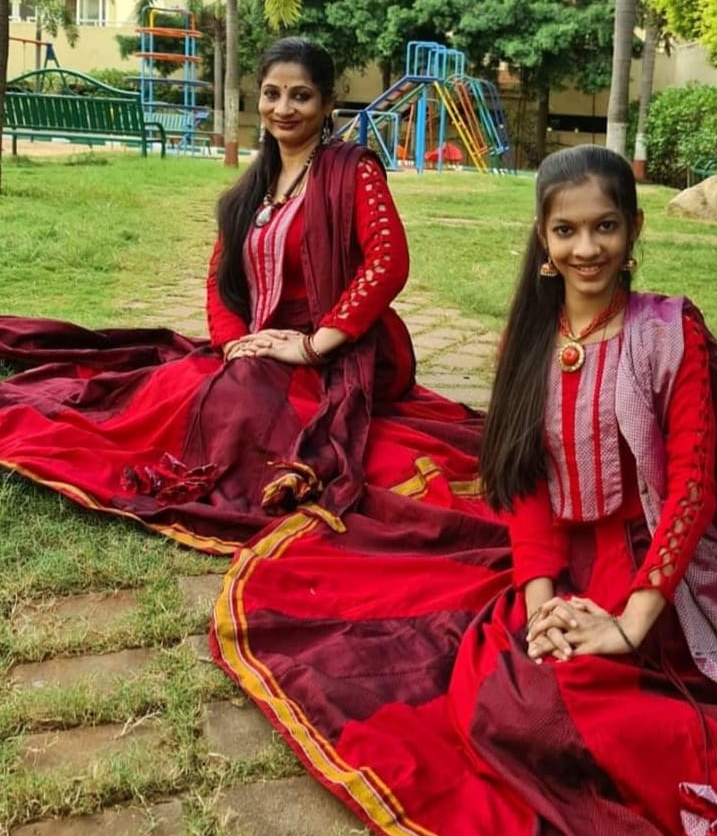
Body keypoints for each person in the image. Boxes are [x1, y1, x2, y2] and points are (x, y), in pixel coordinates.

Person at [211, 145, 717, 836]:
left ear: (633, 232)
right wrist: (540, 602)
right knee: (501, 693)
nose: (586, 248)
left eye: (604, 227)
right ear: (542, 241)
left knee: (579, 695)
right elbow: (524, 489)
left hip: (661, 569)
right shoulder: (527, 342)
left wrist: (630, 623)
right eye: (566, 230)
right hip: (563, 561)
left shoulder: (671, 331)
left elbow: (688, 493)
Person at [0, 37, 493, 552]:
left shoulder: (353, 171)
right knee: (181, 385)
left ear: (327, 104)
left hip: (343, 349)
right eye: (271, 93)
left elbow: (388, 262)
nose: (283, 109)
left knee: (241, 398)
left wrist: (311, 345)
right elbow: (220, 277)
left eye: (300, 96)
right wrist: (234, 342)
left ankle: (252, 476)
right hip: (262, 342)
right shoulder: (253, 186)